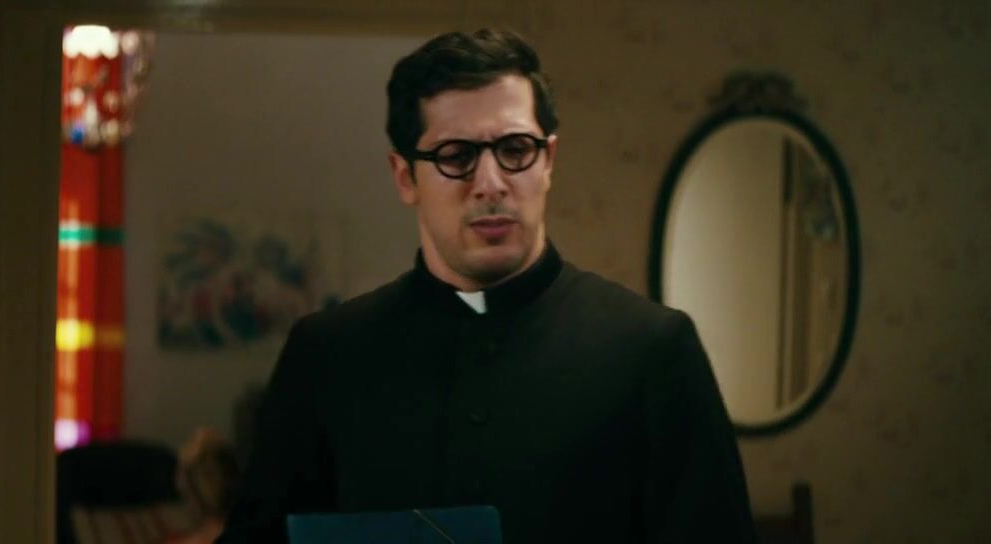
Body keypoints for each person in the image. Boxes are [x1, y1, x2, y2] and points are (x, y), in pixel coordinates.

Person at [217, 29, 755, 543]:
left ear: (548, 161)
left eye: (515, 149)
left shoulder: (654, 349)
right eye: (456, 157)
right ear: (405, 177)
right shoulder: (326, 354)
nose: (491, 184)